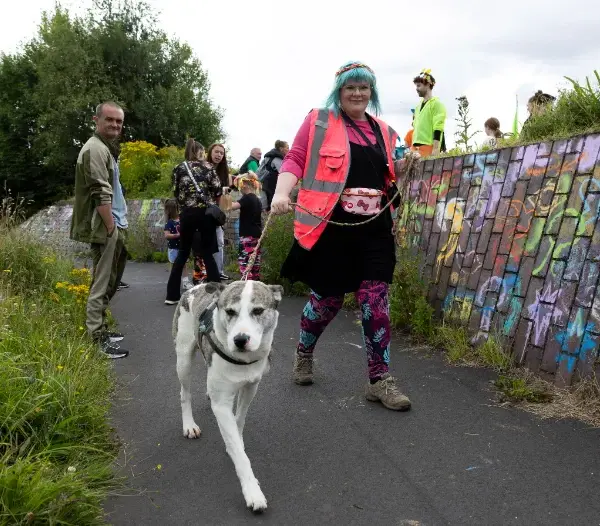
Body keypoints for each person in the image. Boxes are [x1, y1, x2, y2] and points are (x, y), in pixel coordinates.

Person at [270, 61, 412, 411]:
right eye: (351, 87)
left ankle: (379, 380)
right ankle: (304, 352)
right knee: (327, 301)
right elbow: (296, 158)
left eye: (364, 87)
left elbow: (399, 164)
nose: (358, 93)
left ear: (372, 92)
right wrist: (280, 193)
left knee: (375, 298)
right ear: (339, 91)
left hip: (375, 228)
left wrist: (408, 164)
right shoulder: (320, 121)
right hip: (332, 225)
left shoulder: (384, 130)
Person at [70, 101, 129, 359]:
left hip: (114, 222)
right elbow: (99, 190)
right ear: (97, 120)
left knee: (112, 279)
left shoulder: (104, 148)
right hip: (105, 225)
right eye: (110, 120)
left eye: (119, 121)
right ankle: (96, 337)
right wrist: (110, 226)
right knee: (102, 281)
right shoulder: (94, 149)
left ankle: (101, 327)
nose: (115, 125)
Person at [165, 139, 222, 305]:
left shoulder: (179, 168)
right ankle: (216, 294)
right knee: (207, 253)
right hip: (205, 213)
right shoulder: (209, 167)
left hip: (187, 214)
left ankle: (172, 296)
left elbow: (176, 192)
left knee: (183, 253)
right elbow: (217, 189)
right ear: (201, 152)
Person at [194, 143, 232, 281]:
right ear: (210, 152)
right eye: (216, 152)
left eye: (221, 153)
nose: (219, 155)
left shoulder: (225, 173)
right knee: (203, 242)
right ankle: (203, 273)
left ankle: (218, 271)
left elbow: (227, 193)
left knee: (220, 242)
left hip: (216, 212)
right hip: (202, 210)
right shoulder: (202, 168)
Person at [231, 174, 263, 280]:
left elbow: (231, 207)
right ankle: (255, 284)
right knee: (255, 262)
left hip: (247, 235)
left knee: (245, 262)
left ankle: (246, 285)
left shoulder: (246, 198)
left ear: (244, 185)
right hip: (257, 235)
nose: (239, 189)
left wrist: (224, 194)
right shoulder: (257, 199)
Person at [411, 69, 447, 157]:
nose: (416, 89)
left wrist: (436, 149)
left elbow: (438, 128)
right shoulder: (417, 107)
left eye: (419, 86)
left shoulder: (436, 104)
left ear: (427, 84)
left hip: (428, 147)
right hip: (415, 148)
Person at [163, 198, 192, 289]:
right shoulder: (169, 223)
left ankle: (185, 282)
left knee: (184, 265)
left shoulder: (182, 219)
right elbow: (167, 235)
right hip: (173, 248)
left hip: (182, 246)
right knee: (174, 265)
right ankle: (174, 281)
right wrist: (177, 235)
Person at [257, 140, 289, 211]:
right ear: (281, 149)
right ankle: (272, 217)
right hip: (272, 184)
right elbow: (283, 171)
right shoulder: (277, 158)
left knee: (267, 202)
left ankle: (266, 215)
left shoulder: (268, 157)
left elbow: (259, 170)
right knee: (273, 202)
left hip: (265, 182)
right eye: (287, 147)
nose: (288, 149)